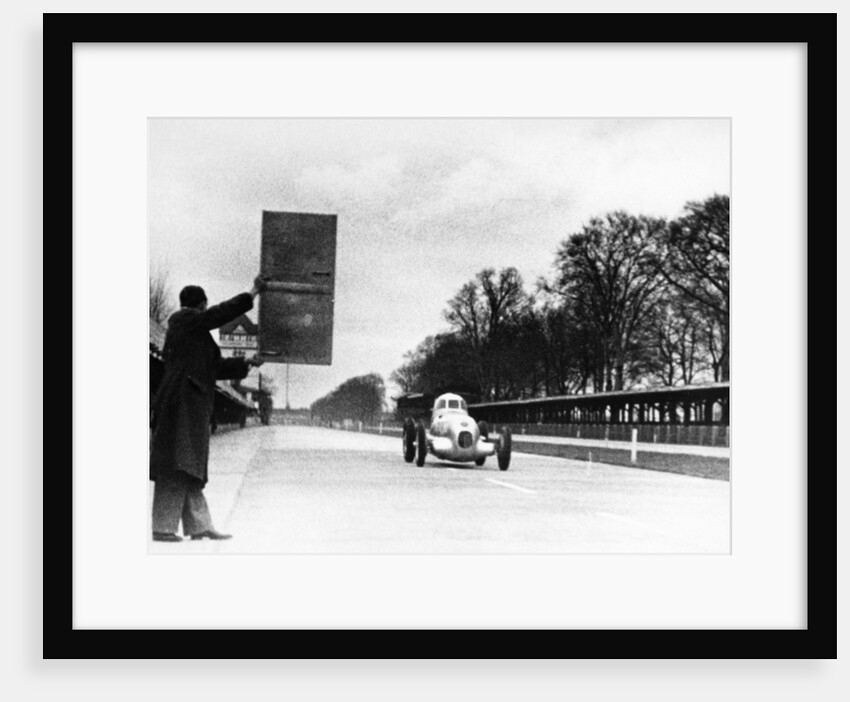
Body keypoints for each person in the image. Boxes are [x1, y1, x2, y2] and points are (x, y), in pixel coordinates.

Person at [149, 276, 267, 542]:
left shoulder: (193, 334)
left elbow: (215, 368)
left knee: (186, 463)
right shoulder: (184, 320)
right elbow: (219, 314)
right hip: (181, 404)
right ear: (200, 305)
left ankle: (199, 525)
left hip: (187, 404)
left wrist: (247, 363)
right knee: (177, 462)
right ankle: (163, 528)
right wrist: (253, 292)